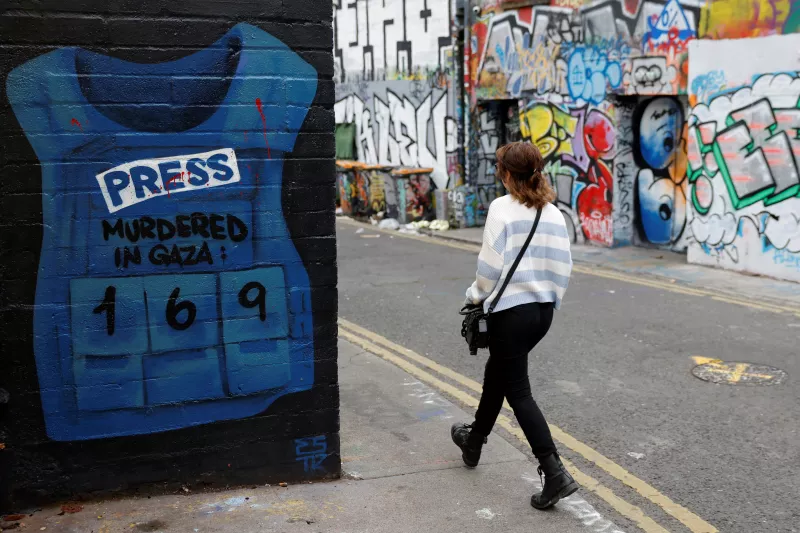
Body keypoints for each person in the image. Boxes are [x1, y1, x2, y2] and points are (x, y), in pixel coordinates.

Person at [451, 141, 577, 510]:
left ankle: (554, 472)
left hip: (511, 314)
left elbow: (489, 269)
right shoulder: (554, 213)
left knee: (518, 391)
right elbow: (564, 268)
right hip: (542, 314)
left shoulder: (502, 209)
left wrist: (474, 296)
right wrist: (548, 298)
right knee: (501, 372)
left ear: (506, 173)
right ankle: (473, 440)